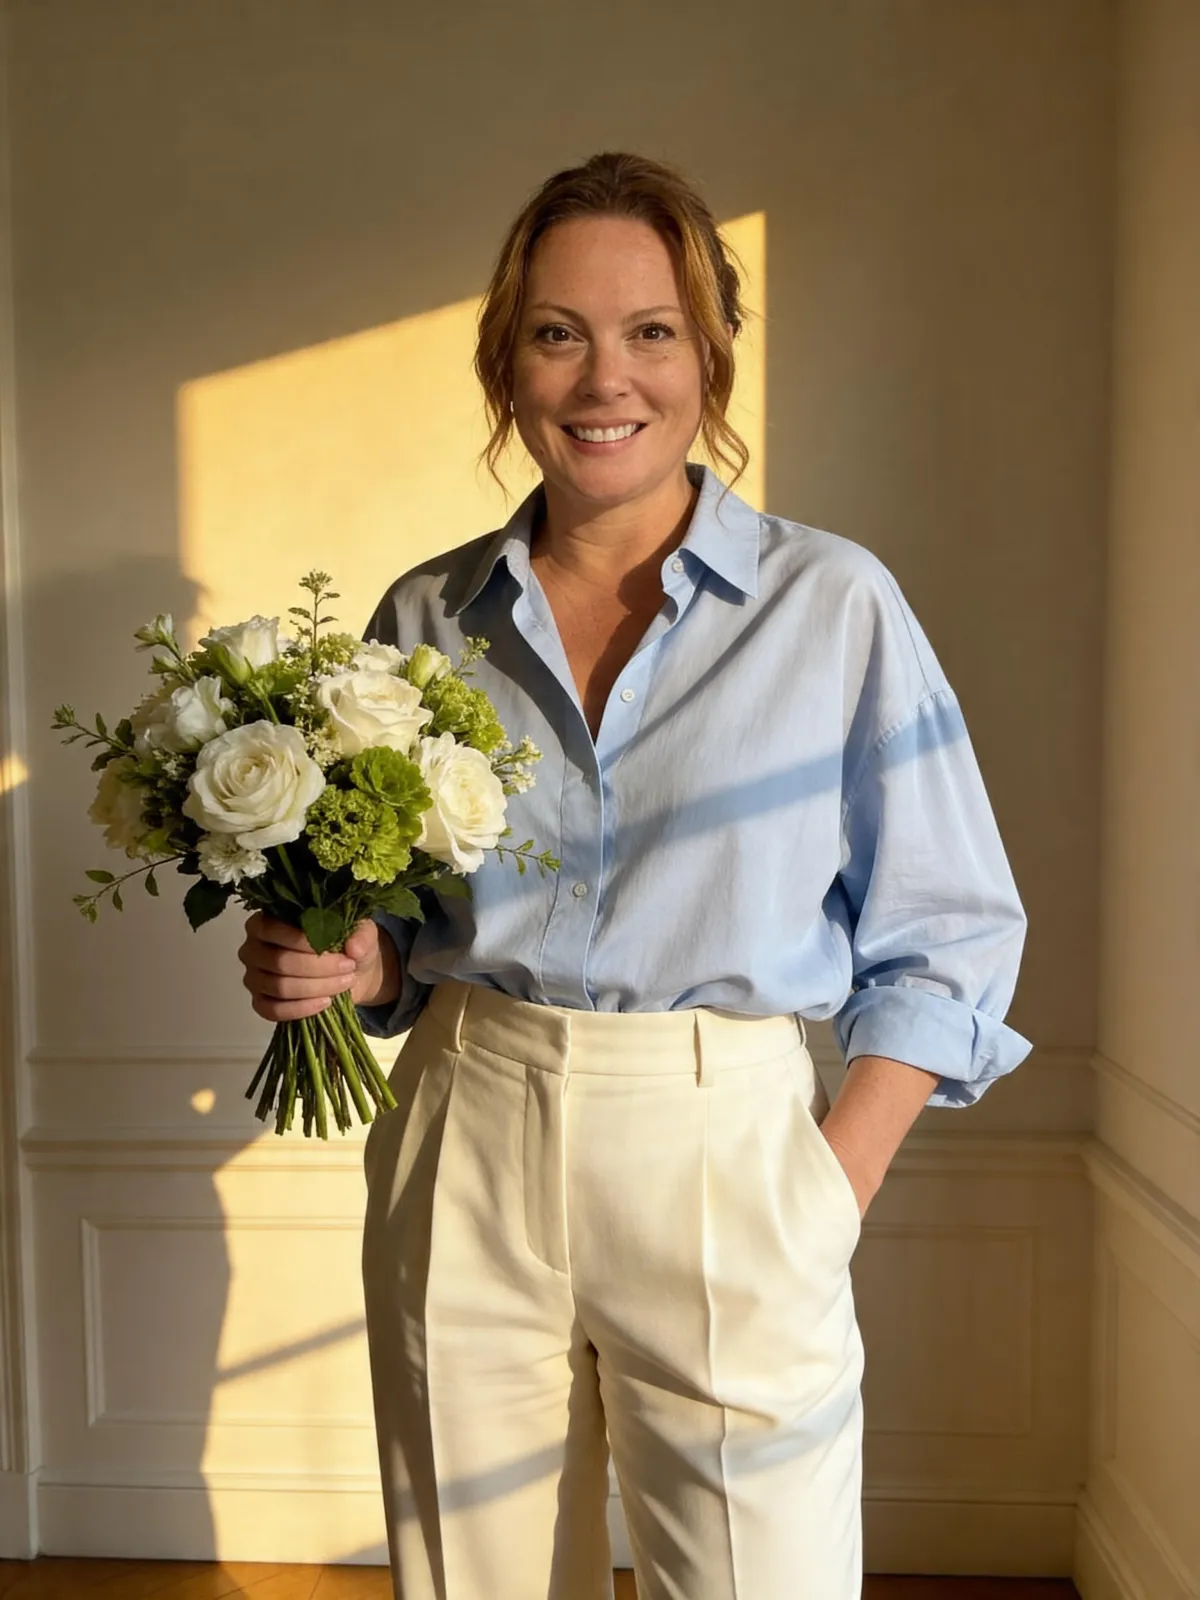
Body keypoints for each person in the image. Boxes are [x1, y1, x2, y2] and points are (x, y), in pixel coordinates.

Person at [238, 151, 1030, 1600]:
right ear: (507, 365)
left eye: (651, 330)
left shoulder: (832, 603)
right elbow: (409, 928)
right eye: (559, 333)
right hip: (466, 1131)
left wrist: (823, 1189)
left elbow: (952, 929)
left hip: (727, 1151)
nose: (606, 379)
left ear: (708, 358)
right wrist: (352, 964)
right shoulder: (427, 613)